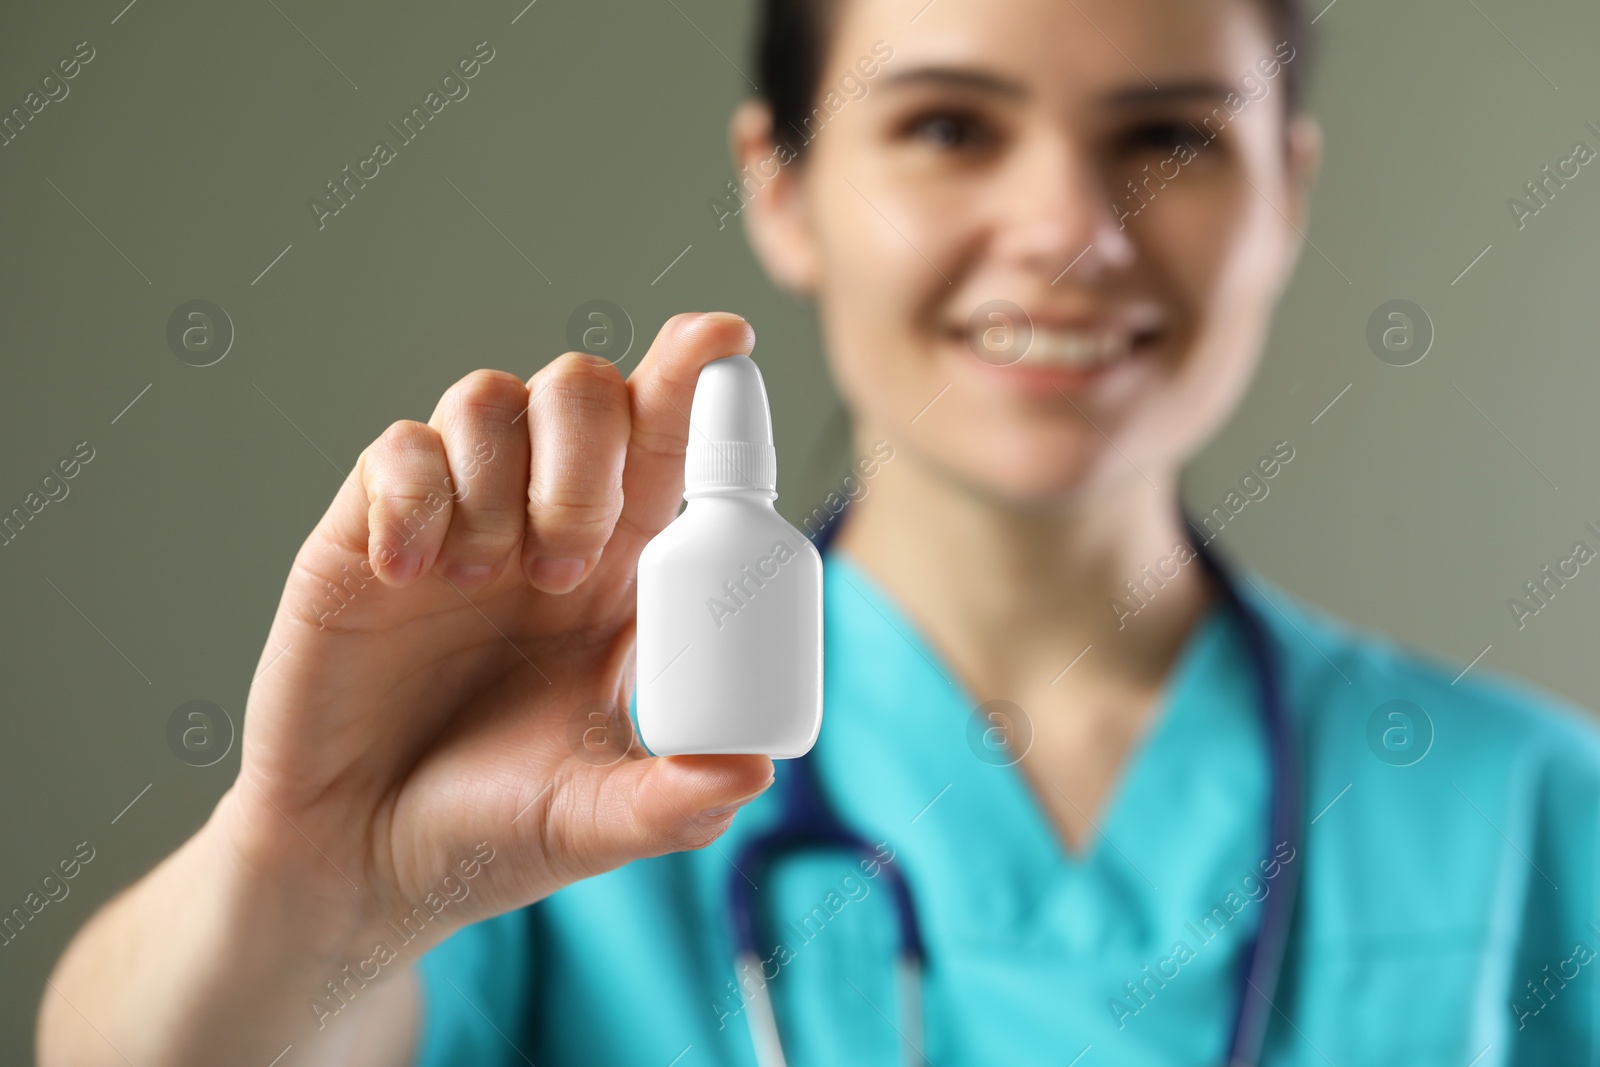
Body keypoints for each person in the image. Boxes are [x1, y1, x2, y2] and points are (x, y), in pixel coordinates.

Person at [36, 0, 1600, 1062]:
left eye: (1169, 135)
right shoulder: (566, 766)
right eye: (946, 128)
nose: (1068, 226)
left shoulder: (1525, 805)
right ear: (781, 187)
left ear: (1285, 194)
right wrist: (317, 882)